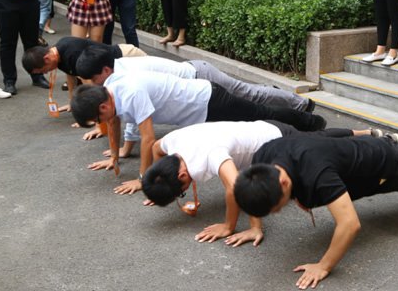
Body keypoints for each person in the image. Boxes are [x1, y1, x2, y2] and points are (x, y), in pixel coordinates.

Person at [233, 135, 398, 289]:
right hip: (364, 153)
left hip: (387, 164)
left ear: (283, 182)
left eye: (278, 207)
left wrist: (323, 266)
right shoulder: (263, 159)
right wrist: (255, 226)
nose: (279, 211)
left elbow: (349, 224)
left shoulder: (316, 172)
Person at [69, 73, 327, 197]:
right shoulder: (109, 93)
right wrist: (116, 156)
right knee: (259, 118)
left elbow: (148, 139)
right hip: (198, 113)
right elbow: (113, 122)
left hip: (207, 100)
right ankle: (307, 129)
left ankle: (311, 123)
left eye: (98, 120)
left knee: (261, 114)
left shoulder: (131, 92)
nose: (101, 125)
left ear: (103, 106)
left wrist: (143, 179)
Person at [143, 121, 379, 244]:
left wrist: (231, 226)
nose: (183, 193)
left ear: (182, 177)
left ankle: (366, 135)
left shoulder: (211, 155)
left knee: (320, 140)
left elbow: (236, 187)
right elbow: (155, 148)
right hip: (256, 127)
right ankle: (365, 134)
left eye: (181, 192)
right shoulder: (172, 143)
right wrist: (157, 183)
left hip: (276, 139)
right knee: (319, 137)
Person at [75, 46, 313, 113]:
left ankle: (301, 103)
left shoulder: (127, 75)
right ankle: (282, 98)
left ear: (105, 70)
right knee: (249, 94)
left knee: (251, 94)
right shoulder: (119, 70)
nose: (95, 84)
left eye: (94, 79)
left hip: (200, 75)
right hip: (196, 77)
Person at [21, 37, 146, 107]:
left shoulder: (72, 54)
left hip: (128, 58)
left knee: (148, 94)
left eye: (43, 70)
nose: (46, 73)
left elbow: (91, 85)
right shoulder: (58, 56)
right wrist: (72, 102)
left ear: (46, 59)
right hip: (114, 68)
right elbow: (71, 76)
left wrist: (94, 116)